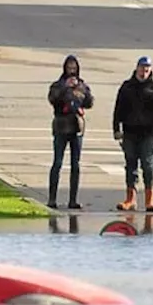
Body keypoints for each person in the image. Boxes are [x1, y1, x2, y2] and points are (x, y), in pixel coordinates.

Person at [112, 55, 153, 212]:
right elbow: (118, 109)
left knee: (148, 165)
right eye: (142, 68)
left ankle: (149, 200)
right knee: (130, 165)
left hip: (148, 133)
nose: (144, 72)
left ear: (150, 70)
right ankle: (130, 199)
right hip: (129, 132)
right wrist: (116, 129)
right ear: (136, 68)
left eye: (147, 69)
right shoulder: (127, 87)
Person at [46, 54, 93, 210]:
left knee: (76, 164)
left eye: (74, 68)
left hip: (76, 127)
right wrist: (66, 88)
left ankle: (73, 200)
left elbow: (89, 102)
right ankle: (52, 199)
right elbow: (53, 99)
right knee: (57, 162)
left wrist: (79, 92)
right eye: (69, 68)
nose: (72, 71)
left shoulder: (82, 85)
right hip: (61, 125)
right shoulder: (57, 85)